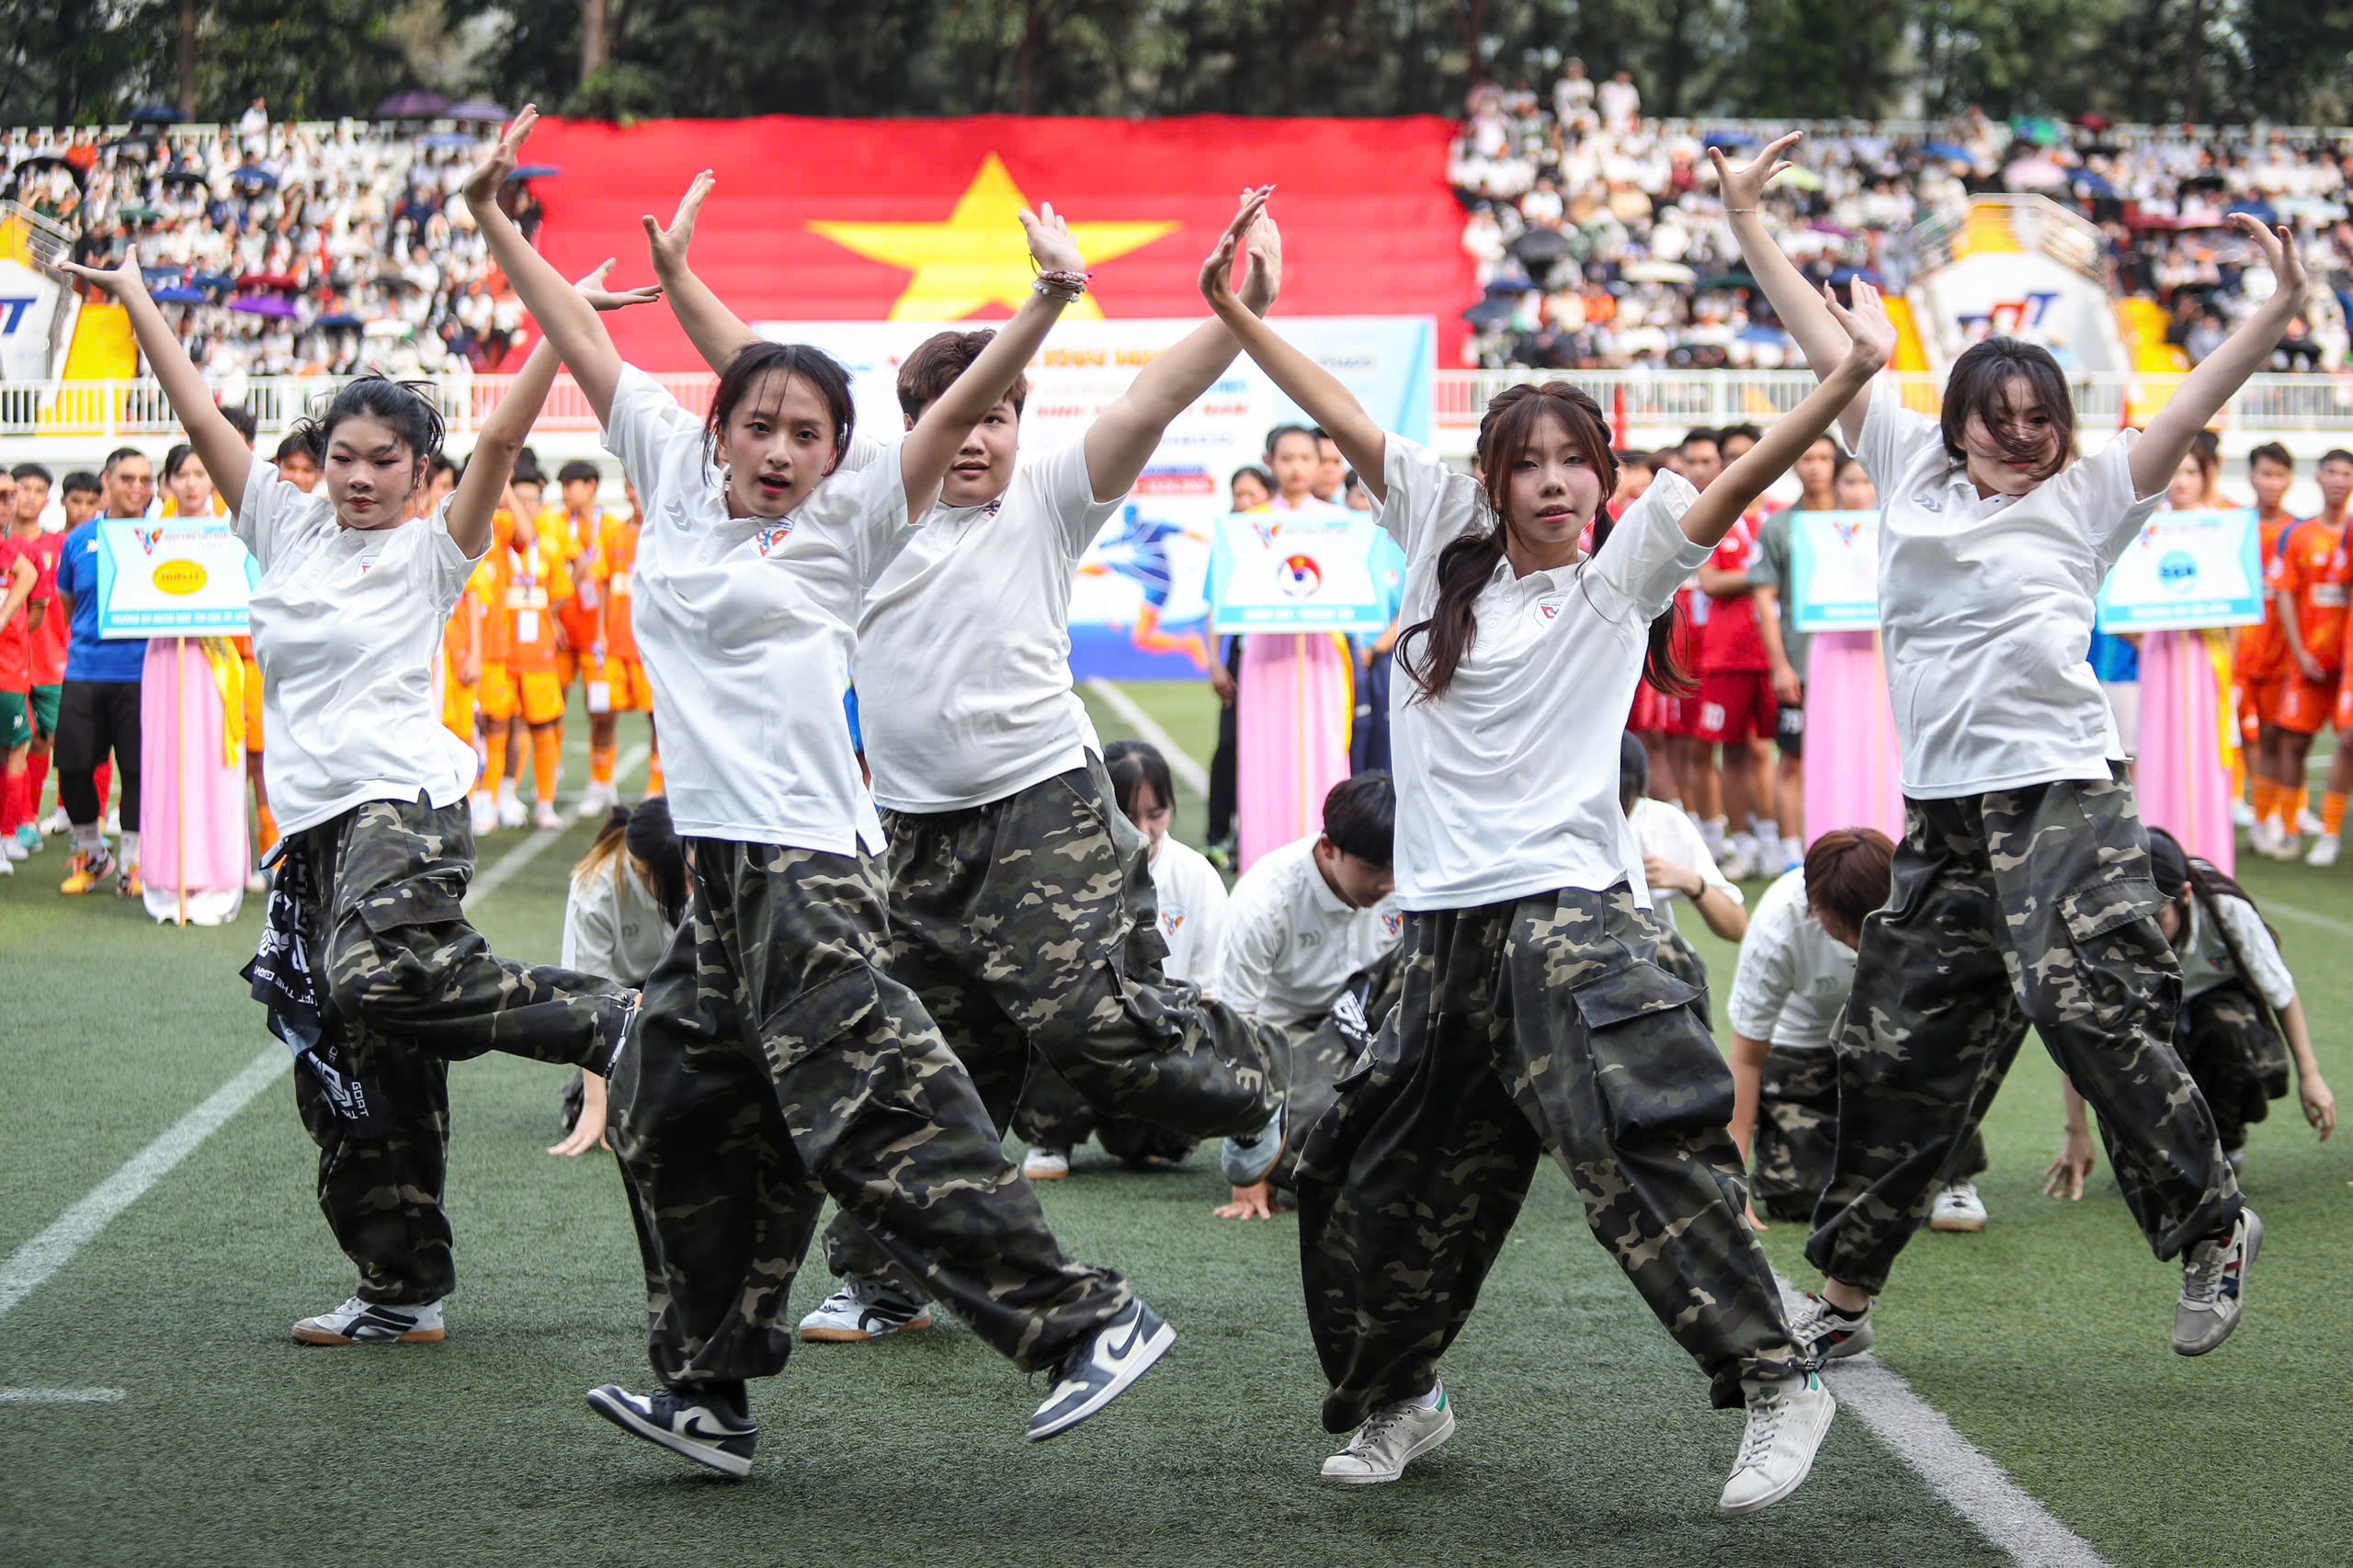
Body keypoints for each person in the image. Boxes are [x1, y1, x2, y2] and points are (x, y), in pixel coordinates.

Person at [471, 110, 1175, 1471]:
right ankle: (709, 1389)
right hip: (723, 879)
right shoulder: (671, 470)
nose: (781, 447)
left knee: (870, 1114)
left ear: (837, 450)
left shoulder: (855, 517)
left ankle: (1088, 1317)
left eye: (809, 431)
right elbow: (581, 340)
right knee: (675, 1108)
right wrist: (504, 224)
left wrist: (1046, 301)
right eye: (763, 423)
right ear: (721, 424)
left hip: (810, 866)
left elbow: (964, 409)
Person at [1200, 186, 1896, 1512]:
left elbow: (1742, 473)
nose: (1559, 482)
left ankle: (1776, 1377)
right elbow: (1341, 414)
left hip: (1575, 921)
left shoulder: (1622, 569)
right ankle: (1400, 1395)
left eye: (1580, 458)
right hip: (1440, 933)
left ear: (1607, 472)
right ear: (1493, 477)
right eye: (1531, 462)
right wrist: (1241, 315)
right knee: (1362, 1175)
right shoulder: (1433, 533)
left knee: (1638, 1153)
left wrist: (1847, 372)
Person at [643, 174, 1290, 1349]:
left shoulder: (1048, 498)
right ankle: (886, 1278)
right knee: (916, 1063)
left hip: (1041, 810)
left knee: (1103, 1034)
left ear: (1017, 425)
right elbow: (754, 373)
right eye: (959, 415)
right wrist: (681, 278)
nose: (979, 436)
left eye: (996, 414)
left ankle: (1277, 1079)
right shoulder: (857, 508)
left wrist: (1240, 310)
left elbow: (1149, 400)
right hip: (906, 834)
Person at [1718, 133, 2271, 1369]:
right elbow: (1823, 334)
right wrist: (1751, 221)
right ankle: (1848, 1294)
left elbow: (2191, 403)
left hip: (2068, 790)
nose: (2021, 436)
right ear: (1959, 419)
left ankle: (2212, 1218)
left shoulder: (2090, 496)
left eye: (2040, 419)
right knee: (1899, 1037)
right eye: (1999, 417)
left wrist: (2276, 311)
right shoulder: (1905, 456)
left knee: (2087, 1000)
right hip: (1946, 811)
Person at [58, 243, 652, 1346]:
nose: (362, 476)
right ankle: (402, 1287)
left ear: (423, 473)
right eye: (344, 456)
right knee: (352, 1065)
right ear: (317, 462)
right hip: (314, 833)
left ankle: (614, 1017)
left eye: (386, 459)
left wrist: (561, 317)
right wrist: (134, 291)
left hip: (403, 806)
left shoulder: (437, 548)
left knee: (377, 973)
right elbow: (198, 414)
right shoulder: (282, 525)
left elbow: (507, 437)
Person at [2048, 829, 2333, 1203]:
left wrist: (2310, 1076)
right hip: (2147, 1015)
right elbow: (2081, 1035)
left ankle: (2225, 1146)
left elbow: (2281, 993)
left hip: (2214, 1007)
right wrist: (2077, 1131)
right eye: (2136, 919)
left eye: (2156, 917)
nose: (2145, 933)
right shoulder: (2107, 926)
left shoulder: (2227, 912)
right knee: (2121, 1048)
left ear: (2184, 896)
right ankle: (2151, 1149)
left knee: (2230, 1030)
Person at [1727, 827, 1990, 1233]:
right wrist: (1733, 1178)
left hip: (1892, 1033)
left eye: (1866, 921)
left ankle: (1952, 1176)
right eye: (1842, 926)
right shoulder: (1778, 928)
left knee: (1940, 1045)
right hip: (1804, 1046)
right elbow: (1746, 1057)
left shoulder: (1923, 904)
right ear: (1813, 904)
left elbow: (1954, 1022)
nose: (1856, 941)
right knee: (1794, 1195)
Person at [1013, 739, 1233, 1179]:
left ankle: (1138, 1134)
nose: (1145, 831)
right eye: (1129, 817)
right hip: (1087, 1035)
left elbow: (1210, 990)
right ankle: (1051, 1132)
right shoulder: (1064, 874)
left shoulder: (1196, 877)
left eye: (1157, 814)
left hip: (1162, 1032)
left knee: (1158, 1145)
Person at [1210, 770, 1403, 1221]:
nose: (1390, 884)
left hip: (1367, 1008)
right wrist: (1248, 1166)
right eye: (1374, 869)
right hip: (1285, 1033)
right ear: (1328, 847)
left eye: (1398, 866)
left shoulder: (1409, 878)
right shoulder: (1265, 901)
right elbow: (1236, 1036)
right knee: (1320, 1126)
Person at [1236, 422, 1355, 869]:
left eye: (1306, 458)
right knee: (1266, 755)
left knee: (1323, 747)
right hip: (1267, 652)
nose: (1297, 467)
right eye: (1287, 458)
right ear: (1270, 463)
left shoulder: (1339, 522)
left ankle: (1327, 856)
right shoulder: (1250, 524)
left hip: (1322, 652)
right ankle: (1264, 862)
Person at [550, 798, 688, 1158]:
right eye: (681, 882)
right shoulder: (594, 890)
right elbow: (588, 1003)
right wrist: (598, 1105)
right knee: (629, 1117)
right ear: (646, 873)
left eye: (691, 877)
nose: (690, 890)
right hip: (623, 1002)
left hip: (684, 990)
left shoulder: (700, 864)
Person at [50, 447, 154, 897]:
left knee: (136, 772)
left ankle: (132, 865)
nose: (138, 488)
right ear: (107, 482)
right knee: (72, 768)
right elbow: (70, 602)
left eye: (146, 479)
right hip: (86, 671)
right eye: (128, 478)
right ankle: (95, 856)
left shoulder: (164, 535)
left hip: (142, 674)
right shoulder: (78, 540)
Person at [1747, 434, 1837, 869]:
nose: (1815, 466)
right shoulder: (1780, 527)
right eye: (1807, 457)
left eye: (1824, 457)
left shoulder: (1860, 521)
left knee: (1851, 759)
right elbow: (1764, 600)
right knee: (1794, 762)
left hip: (1856, 667)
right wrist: (1780, 665)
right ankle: (1789, 857)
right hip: (1801, 664)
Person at [2260, 448, 2352, 859]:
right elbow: (2284, 596)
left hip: (2346, 662)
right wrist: (2299, 652)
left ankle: (2330, 833)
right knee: (2292, 743)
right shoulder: (2298, 535)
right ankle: (2290, 826)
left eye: (2346, 474)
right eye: (2331, 471)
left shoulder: (2349, 533)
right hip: (2307, 660)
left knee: (2348, 742)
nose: (2338, 480)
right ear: (2317, 478)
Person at [1619, 733, 1745, 1019]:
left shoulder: (1660, 820)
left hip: (1651, 971)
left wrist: (1691, 881)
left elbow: (1736, 926)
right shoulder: (1561, 821)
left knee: (1662, 944)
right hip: (1583, 964)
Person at [22, 472, 94, 842]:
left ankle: (67, 813)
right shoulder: (23, 546)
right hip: (22, 660)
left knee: (63, 739)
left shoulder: (73, 546)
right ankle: (24, 819)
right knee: (24, 741)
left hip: (60, 660)